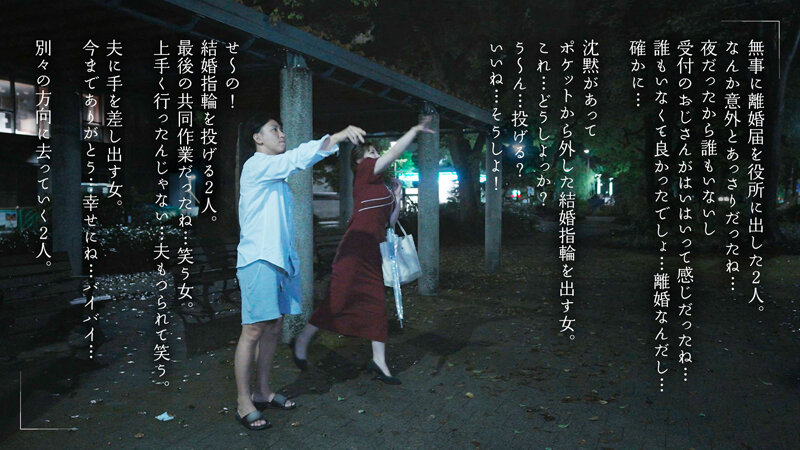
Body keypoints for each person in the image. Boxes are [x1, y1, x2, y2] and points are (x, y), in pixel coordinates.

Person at [234, 114, 366, 431]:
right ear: (257, 138)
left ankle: (262, 391)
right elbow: (296, 159)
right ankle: (243, 402)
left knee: (273, 328)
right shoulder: (256, 166)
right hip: (259, 261)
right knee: (252, 330)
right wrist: (338, 136)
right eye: (274, 129)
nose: (282, 134)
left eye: (281, 129)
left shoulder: (275, 176)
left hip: (279, 261)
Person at [290, 117, 434, 385]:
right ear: (358, 161)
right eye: (370, 153)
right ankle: (302, 341)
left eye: (376, 152)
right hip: (354, 249)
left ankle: (379, 361)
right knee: (338, 299)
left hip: (372, 251)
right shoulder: (365, 174)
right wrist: (414, 130)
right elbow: (394, 152)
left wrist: (397, 198)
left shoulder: (383, 188)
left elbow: (390, 223)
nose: (375, 155)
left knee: (376, 304)